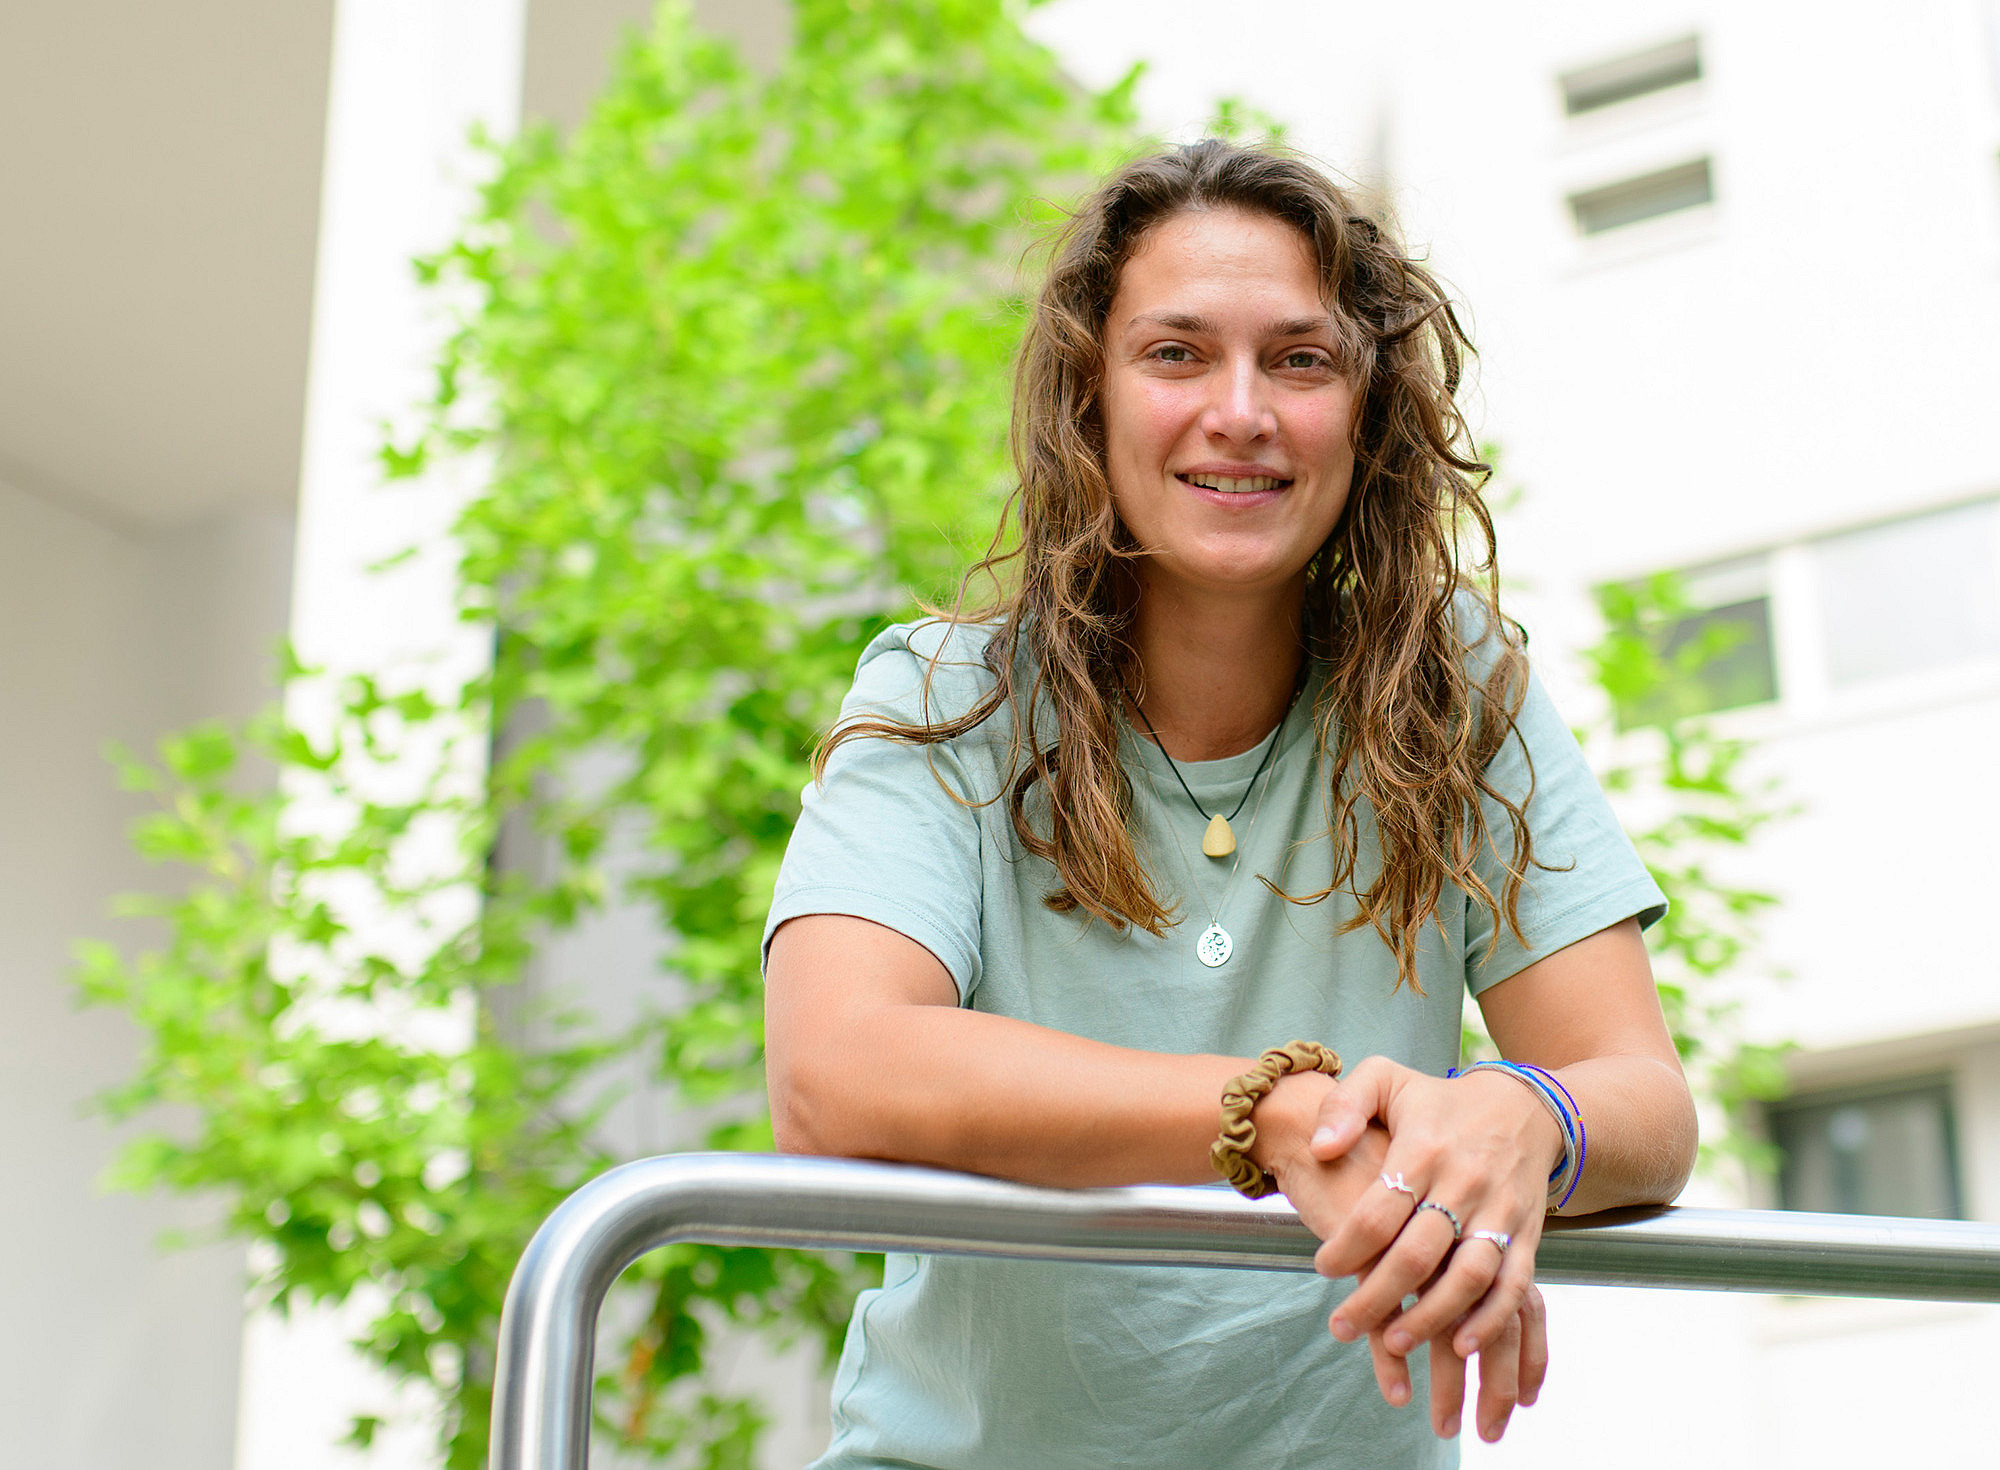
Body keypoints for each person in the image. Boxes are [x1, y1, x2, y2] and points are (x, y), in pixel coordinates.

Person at [762, 138, 1696, 1469]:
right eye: (1178, 352)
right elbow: (833, 1075)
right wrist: (1275, 1111)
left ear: (1366, 412)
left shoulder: (1462, 694)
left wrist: (1529, 1115)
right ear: (1089, 400)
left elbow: (1646, 1103)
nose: (1242, 409)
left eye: (1300, 359)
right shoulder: (942, 697)